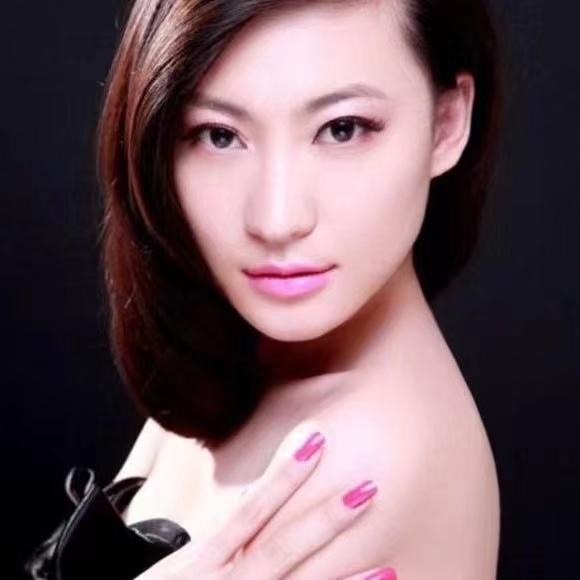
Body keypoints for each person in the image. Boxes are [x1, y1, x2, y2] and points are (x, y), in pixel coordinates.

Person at [26, 0, 506, 577]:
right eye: (219, 136)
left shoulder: (361, 459)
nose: (277, 220)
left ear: (446, 124)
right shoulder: (242, 364)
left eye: (342, 129)